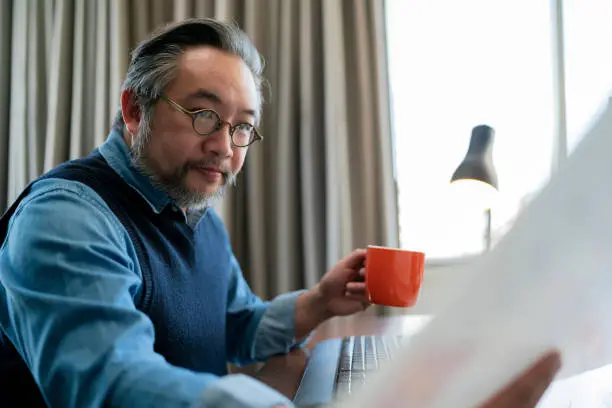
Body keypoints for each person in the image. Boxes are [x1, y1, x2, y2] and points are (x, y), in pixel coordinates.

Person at [0, 18, 560, 408]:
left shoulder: (198, 220)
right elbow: (104, 380)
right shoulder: (68, 217)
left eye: (242, 126)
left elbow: (233, 325)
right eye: (203, 115)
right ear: (133, 109)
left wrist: (317, 304)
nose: (225, 146)